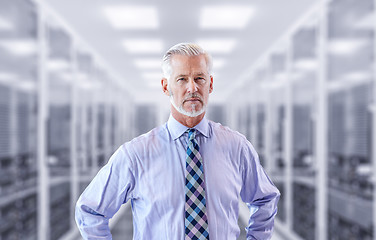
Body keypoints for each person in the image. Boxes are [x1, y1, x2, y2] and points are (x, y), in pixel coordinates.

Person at [75, 43, 280, 240]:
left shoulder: (237, 147)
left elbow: (265, 199)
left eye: (200, 78)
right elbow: (90, 211)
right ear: (166, 86)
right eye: (182, 79)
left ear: (211, 84)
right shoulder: (135, 154)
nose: (192, 88)